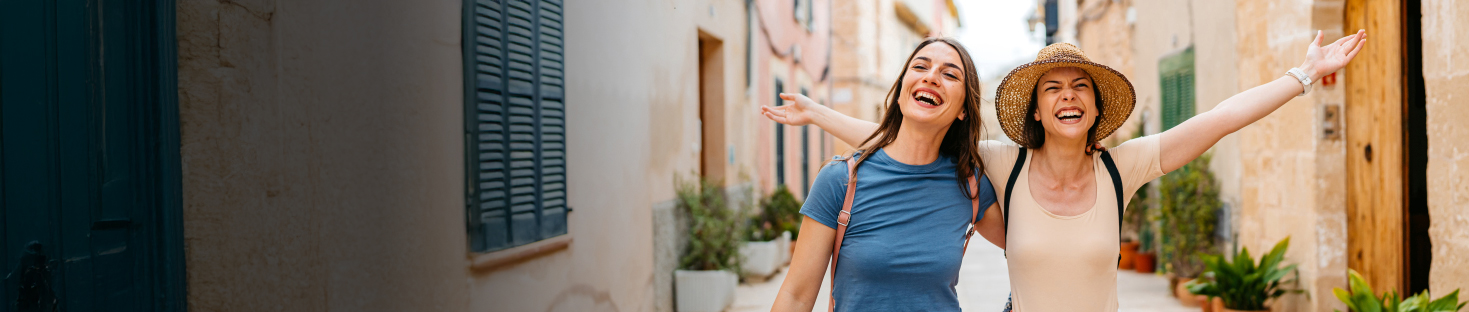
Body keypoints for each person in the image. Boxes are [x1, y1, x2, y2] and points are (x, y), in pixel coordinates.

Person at [764, 30, 1368, 311]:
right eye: (1052, 87)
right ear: (1036, 108)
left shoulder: (1121, 167)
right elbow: (912, 141)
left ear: (1097, 107)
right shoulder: (999, 165)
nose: (1068, 95)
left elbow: (1218, 119)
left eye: (1081, 86)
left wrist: (1304, 75)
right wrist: (820, 114)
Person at [769, 37, 1005, 312]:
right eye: (920, 67)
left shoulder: (970, 184)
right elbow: (796, 296)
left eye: (950, 74)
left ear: (964, 109)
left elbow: (1031, 251)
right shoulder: (840, 180)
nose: (931, 77)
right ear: (902, 88)